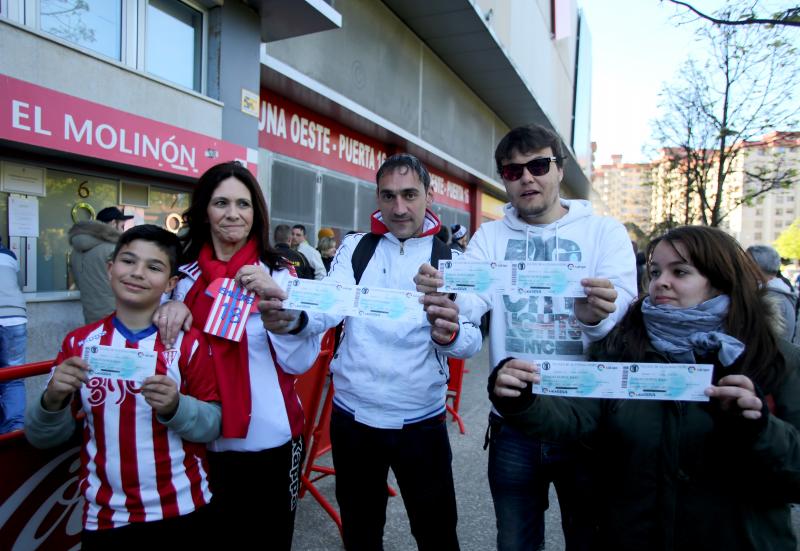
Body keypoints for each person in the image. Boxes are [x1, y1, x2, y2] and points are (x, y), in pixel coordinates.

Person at [491, 225, 800, 550]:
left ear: (720, 280)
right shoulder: (622, 346)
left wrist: (759, 429)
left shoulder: (775, 359)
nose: (660, 282)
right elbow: (576, 414)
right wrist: (523, 398)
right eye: (654, 272)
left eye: (679, 272)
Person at [416, 124, 637, 550]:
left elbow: (624, 312)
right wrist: (445, 299)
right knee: (515, 542)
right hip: (515, 420)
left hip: (586, 421)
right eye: (513, 171)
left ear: (560, 169)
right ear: (504, 180)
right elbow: (470, 300)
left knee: (591, 539)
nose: (527, 178)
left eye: (538, 165)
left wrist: (596, 317)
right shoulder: (491, 237)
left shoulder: (603, 232)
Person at [264, 153, 482, 550]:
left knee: (437, 534)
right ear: (378, 198)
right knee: (361, 535)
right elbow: (330, 305)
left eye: (410, 195)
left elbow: (472, 339)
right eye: (389, 196)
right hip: (354, 418)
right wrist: (295, 319)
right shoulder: (356, 247)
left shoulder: (451, 260)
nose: (399, 208)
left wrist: (448, 333)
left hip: (421, 421)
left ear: (429, 196)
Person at [154, 161, 320, 549]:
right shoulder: (182, 278)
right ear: (204, 211)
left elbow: (300, 362)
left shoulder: (279, 274)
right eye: (221, 203)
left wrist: (276, 300)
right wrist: (169, 311)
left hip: (272, 441)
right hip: (199, 443)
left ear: (256, 213)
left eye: (243, 204)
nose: (233, 214)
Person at [25, 225, 220, 548]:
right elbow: (43, 437)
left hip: (184, 508)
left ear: (171, 283)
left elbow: (213, 424)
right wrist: (52, 399)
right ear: (110, 267)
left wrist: (176, 407)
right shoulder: (78, 343)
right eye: (128, 261)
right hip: (105, 517)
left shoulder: (189, 344)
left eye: (154, 267)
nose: (138, 273)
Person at [69, 206, 133, 323]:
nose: (123, 230)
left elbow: (77, 282)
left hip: (90, 315)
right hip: (116, 316)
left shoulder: (75, 252)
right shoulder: (114, 249)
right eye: (122, 226)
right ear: (114, 223)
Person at [0, 237, 26, 433]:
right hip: (15, 317)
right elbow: (20, 283)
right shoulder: (9, 256)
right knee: (14, 378)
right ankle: (15, 430)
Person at [747, 245, 797, 342]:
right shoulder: (777, 293)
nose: (739, 265)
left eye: (745, 262)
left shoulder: (771, 298)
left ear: (755, 267)